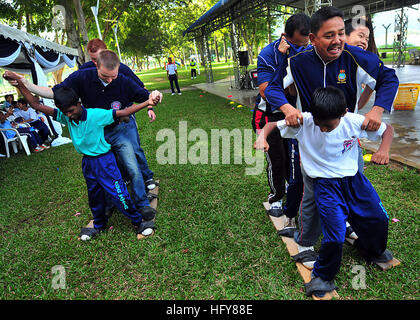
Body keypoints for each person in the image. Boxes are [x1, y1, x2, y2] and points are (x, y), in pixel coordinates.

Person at [264, 6, 399, 268]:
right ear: (313, 38)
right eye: (329, 35)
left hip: (346, 139)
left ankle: (350, 229)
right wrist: (287, 107)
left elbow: (388, 77)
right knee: (312, 193)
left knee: (353, 186)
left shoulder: (355, 56)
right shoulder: (298, 60)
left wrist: (378, 108)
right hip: (313, 139)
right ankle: (306, 243)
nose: (337, 40)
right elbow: (272, 88)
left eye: (340, 33)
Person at [256, 86, 394, 297]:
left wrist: (384, 150)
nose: (322, 129)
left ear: (343, 112)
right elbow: (272, 125)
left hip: (354, 181)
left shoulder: (353, 120)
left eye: (328, 126)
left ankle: (373, 250)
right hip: (325, 186)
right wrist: (261, 138)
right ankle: (322, 276)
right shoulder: (307, 120)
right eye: (319, 124)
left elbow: (388, 130)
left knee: (378, 218)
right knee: (334, 234)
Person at [5, 50, 163, 221]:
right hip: (95, 133)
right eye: (105, 76)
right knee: (104, 175)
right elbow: (50, 94)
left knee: (132, 167)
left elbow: (141, 98)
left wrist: (153, 97)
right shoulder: (81, 80)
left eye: (113, 76)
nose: (110, 80)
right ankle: (109, 206)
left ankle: (141, 204)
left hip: (117, 130)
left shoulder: (122, 82)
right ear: (96, 65)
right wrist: (23, 83)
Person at [252, 13, 310, 228]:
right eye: (296, 44)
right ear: (285, 37)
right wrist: (283, 60)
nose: (300, 48)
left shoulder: (308, 49)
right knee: (277, 160)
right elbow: (266, 91)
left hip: (296, 113)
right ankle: (276, 197)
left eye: (305, 44)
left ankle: (289, 192)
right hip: (270, 115)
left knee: (292, 162)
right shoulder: (268, 54)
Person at [79, 38, 158, 193]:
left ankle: (147, 176)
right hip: (103, 120)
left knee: (134, 148)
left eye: (99, 58)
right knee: (115, 152)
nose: (96, 63)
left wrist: (150, 107)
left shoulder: (121, 69)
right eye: (93, 59)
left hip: (125, 115)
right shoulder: (85, 70)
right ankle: (126, 177)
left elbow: (141, 90)